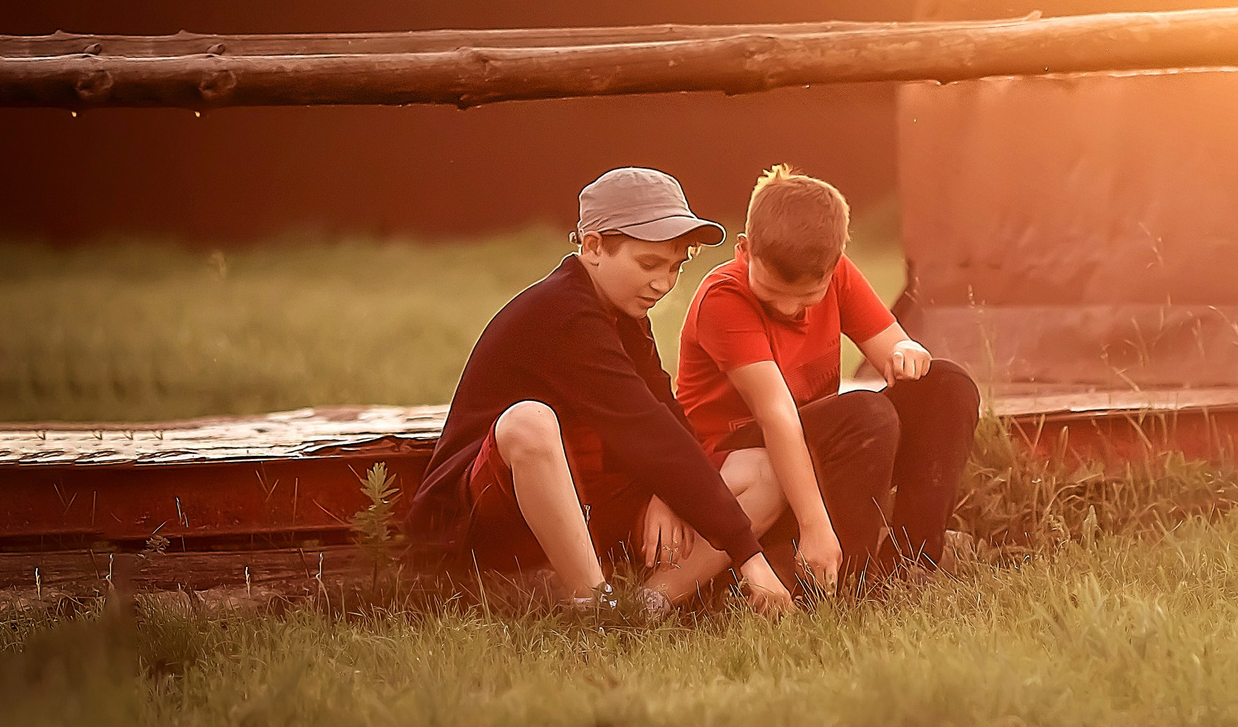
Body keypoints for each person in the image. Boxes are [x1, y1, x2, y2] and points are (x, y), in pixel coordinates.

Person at [404, 167, 797, 614]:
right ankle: (594, 606)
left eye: (674, 267)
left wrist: (669, 493)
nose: (663, 284)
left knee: (764, 472)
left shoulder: (625, 316)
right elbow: (642, 428)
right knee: (529, 422)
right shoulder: (563, 313)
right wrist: (749, 556)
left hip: (585, 497)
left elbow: (664, 414)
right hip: (485, 517)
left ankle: (650, 602)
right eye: (649, 264)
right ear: (592, 246)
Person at [675, 165, 980, 591]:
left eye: (806, 296)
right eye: (772, 290)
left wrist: (907, 351)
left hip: (811, 453)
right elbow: (776, 415)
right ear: (745, 249)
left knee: (947, 385)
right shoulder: (724, 298)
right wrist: (815, 526)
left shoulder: (839, 275)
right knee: (865, 413)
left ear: (834, 266)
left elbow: (892, 346)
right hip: (741, 470)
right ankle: (842, 585)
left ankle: (911, 565)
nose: (786, 308)